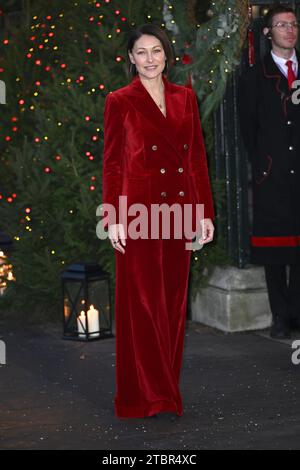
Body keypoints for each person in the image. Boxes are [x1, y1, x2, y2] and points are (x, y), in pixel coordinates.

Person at [102, 23, 214, 419]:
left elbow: (196, 159)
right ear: (131, 59)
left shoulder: (186, 98)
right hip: (138, 215)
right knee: (142, 307)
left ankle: (165, 390)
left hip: (180, 213)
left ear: (166, 55)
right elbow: (113, 163)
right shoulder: (120, 100)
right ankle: (144, 397)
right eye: (142, 52)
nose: (150, 59)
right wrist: (112, 217)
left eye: (156, 51)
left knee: (171, 305)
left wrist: (204, 213)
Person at [239, 4, 300, 338]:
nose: (289, 30)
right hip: (272, 174)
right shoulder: (253, 77)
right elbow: (249, 129)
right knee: (276, 250)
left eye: (293, 24)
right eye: (281, 25)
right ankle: (281, 316)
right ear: (268, 32)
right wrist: (265, 162)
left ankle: (297, 314)